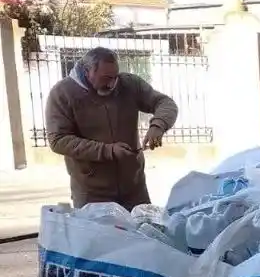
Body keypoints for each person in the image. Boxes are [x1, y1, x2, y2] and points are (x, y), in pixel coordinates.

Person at [45, 46, 178, 209]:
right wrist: (107, 151)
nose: (112, 83)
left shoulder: (129, 84)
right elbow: (58, 140)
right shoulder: (63, 93)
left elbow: (165, 103)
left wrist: (158, 125)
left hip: (134, 188)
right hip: (92, 193)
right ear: (87, 71)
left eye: (115, 77)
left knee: (142, 232)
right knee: (100, 235)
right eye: (106, 78)